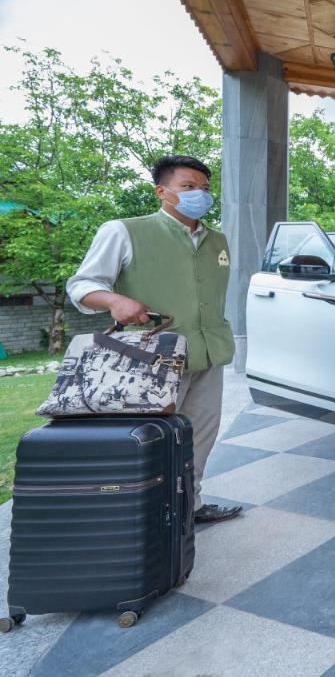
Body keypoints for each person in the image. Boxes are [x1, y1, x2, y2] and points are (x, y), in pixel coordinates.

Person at [65, 155, 243, 524]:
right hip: (151, 361)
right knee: (149, 441)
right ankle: (143, 517)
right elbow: (82, 286)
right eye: (188, 187)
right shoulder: (124, 231)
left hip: (208, 354)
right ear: (162, 192)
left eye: (205, 188)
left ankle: (190, 506)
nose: (200, 195)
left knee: (198, 439)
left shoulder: (217, 240)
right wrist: (114, 300)